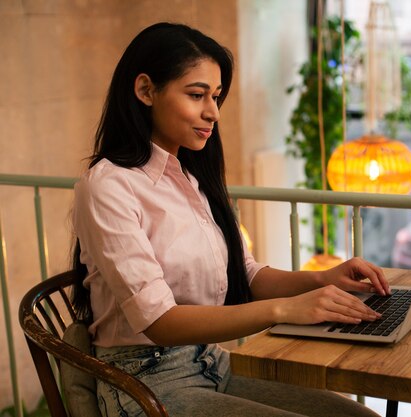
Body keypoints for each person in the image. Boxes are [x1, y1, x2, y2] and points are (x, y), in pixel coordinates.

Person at [71, 22, 389, 417]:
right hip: (143, 385)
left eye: (216, 96)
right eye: (197, 94)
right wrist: (285, 309)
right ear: (145, 90)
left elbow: (245, 273)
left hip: (210, 363)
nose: (213, 112)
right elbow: (159, 321)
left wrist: (322, 279)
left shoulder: (189, 175)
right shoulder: (108, 186)